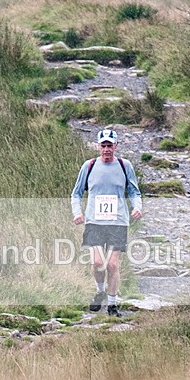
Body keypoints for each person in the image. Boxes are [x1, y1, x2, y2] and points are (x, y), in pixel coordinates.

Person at [71, 128, 142, 316]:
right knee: (97, 263)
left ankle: (112, 305)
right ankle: (100, 291)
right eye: (103, 145)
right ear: (98, 146)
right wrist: (77, 213)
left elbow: (134, 191)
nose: (106, 149)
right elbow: (76, 193)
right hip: (94, 221)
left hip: (117, 221)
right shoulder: (89, 165)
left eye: (110, 145)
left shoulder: (125, 165)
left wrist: (137, 207)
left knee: (112, 265)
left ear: (116, 146)